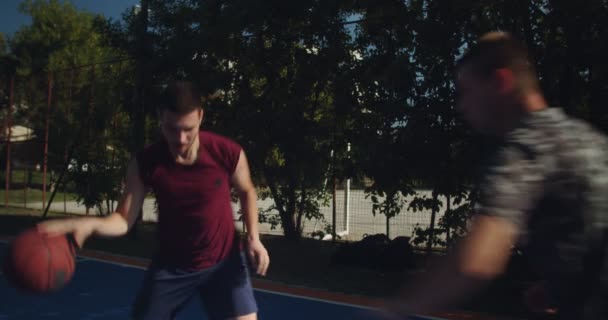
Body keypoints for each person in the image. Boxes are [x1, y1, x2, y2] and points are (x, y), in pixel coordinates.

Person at [381, 31, 608, 320]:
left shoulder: (525, 149)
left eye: (466, 91)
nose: (461, 106)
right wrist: (567, 285)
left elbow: (474, 262)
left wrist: (398, 309)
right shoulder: (586, 139)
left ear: (501, 82)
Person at [38, 81, 269, 320]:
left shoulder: (227, 152)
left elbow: (247, 190)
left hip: (224, 262)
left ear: (200, 116)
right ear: (160, 118)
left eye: (188, 129)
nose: (180, 138)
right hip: (172, 267)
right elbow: (124, 219)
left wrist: (254, 238)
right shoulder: (146, 163)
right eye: (171, 128)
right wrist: (87, 225)